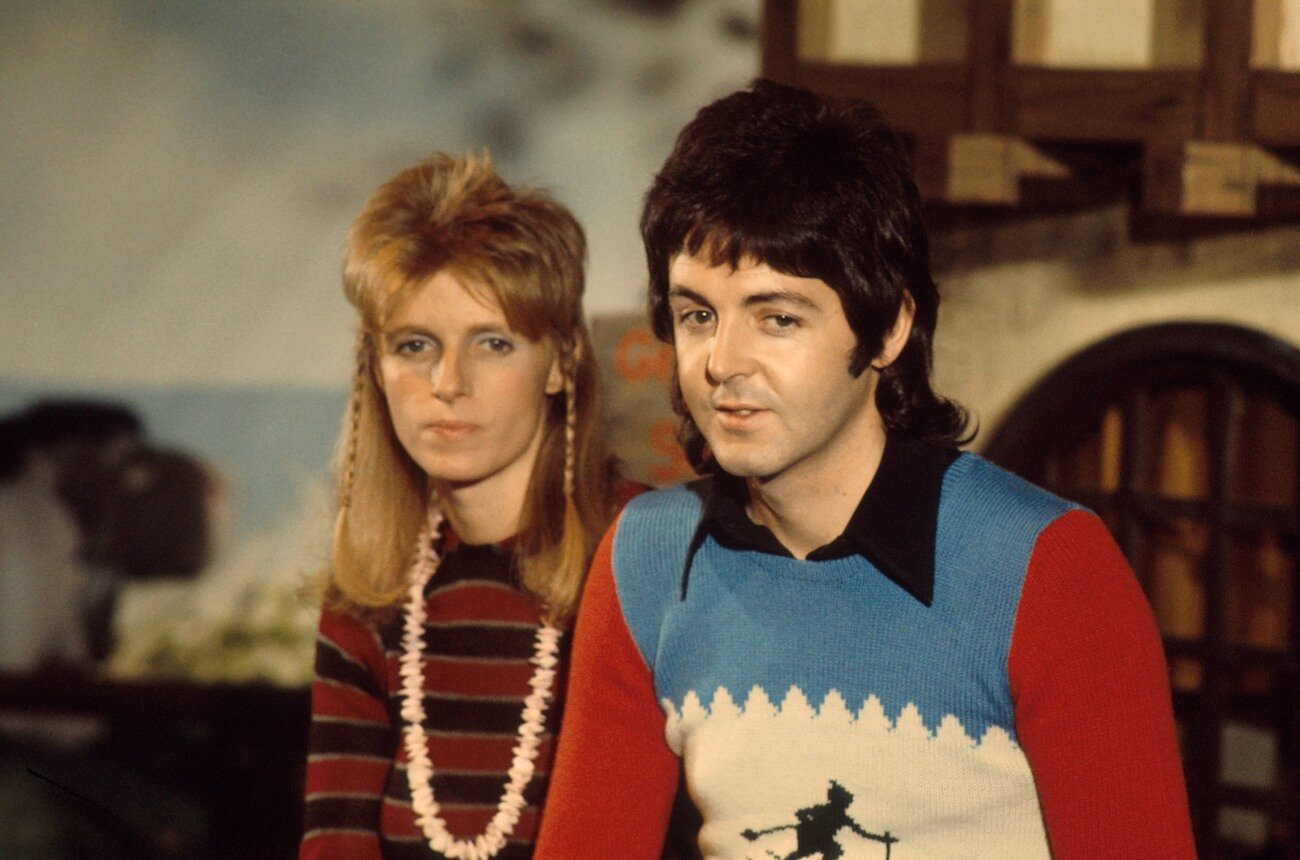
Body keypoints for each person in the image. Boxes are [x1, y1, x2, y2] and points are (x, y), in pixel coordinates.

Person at [535, 80, 1196, 858]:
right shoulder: (647, 558)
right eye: (697, 315)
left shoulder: (1047, 570)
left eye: (777, 317)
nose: (722, 361)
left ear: (888, 328)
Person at [300, 153, 627, 860]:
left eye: (493, 343)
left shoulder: (642, 556)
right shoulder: (368, 590)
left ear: (561, 362)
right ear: (375, 367)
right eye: (414, 345)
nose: (447, 382)